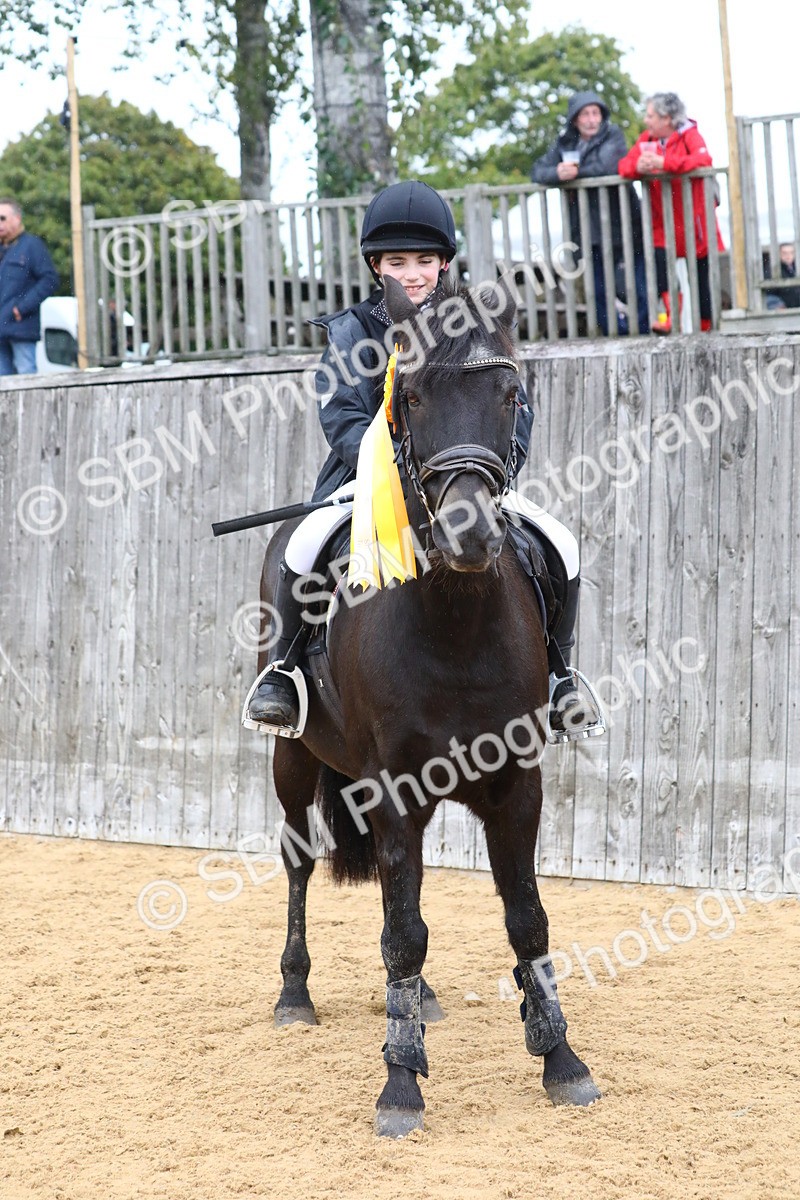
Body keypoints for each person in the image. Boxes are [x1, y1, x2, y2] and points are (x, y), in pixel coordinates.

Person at [246, 180, 603, 742]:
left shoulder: (474, 326)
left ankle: (559, 675)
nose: (412, 274)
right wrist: (384, 470)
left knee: (560, 541)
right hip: (365, 483)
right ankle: (284, 672)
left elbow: (515, 408)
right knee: (303, 544)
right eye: (397, 262)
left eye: (424, 261)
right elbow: (341, 415)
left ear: (444, 264)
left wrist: (494, 467)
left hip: (465, 481)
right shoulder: (352, 333)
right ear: (375, 266)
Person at [531, 91, 648, 336]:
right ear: (575, 119)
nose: (592, 119)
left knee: (637, 286)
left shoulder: (613, 135)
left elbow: (607, 166)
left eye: (596, 113)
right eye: (585, 114)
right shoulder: (566, 143)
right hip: (587, 230)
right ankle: (616, 333)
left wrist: (575, 173)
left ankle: (643, 330)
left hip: (624, 223)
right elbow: (538, 170)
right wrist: (557, 173)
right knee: (597, 290)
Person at [618, 93, 724, 334]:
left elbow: (703, 159)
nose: (646, 120)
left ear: (666, 118)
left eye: (650, 115)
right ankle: (670, 319)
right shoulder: (648, 139)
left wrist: (663, 163)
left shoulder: (690, 134)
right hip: (663, 222)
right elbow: (623, 165)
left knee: (701, 280)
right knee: (660, 271)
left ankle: (707, 330)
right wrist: (638, 167)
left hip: (694, 222)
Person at [0, 198, 59, 376]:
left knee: (27, 378)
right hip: (1, 330)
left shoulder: (32, 246)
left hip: (21, 328)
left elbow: (50, 280)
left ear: (17, 219)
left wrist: (22, 308)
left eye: (3, 218)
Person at [765, 243, 800, 311]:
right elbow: (769, 293)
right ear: (779, 254)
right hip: (783, 307)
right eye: (784, 253)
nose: (788, 256)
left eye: (791, 253)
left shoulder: (796, 268)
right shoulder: (772, 269)